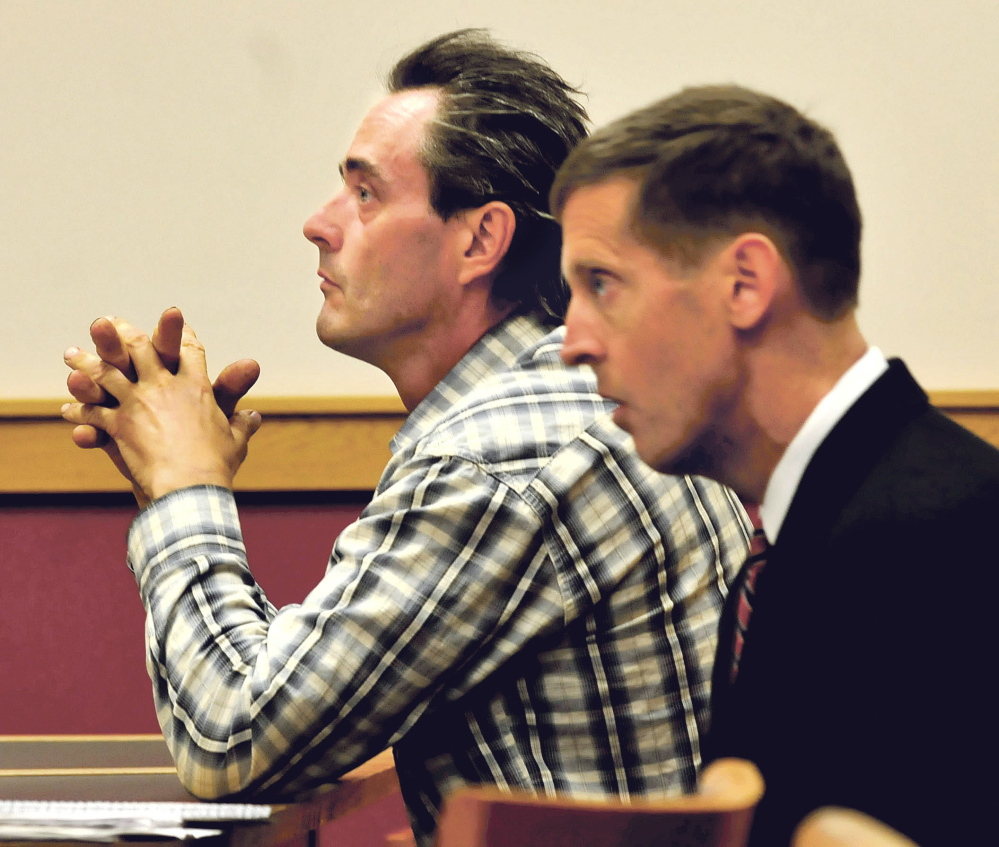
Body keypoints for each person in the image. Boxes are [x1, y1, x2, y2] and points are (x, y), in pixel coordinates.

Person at [61, 32, 750, 844]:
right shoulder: (606, 403)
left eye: (365, 195)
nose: (317, 224)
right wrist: (176, 473)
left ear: (479, 240)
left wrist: (183, 490)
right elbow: (288, 696)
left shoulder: (494, 463)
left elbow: (235, 739)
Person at [551, 83, 999, 846]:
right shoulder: (808, 537)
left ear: (745, 283)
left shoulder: (950, 538)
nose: (573, 340)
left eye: (601, 283)